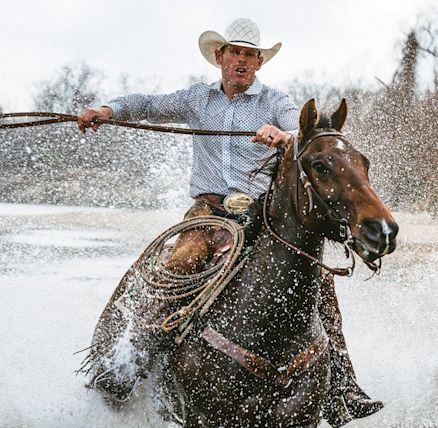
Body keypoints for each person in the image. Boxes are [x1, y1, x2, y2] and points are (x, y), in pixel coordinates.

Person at [78, 18, 383, 426]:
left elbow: (303, 129)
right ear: (219, 57)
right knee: (181, 261)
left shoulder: (275, 101)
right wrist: (107, 110)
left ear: (259, 62)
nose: (241, 60)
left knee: (318, 282)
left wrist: (285, 136)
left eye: (249, 55)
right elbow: (149, 105)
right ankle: (132, 359)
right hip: (208, 214)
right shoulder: (196, 99)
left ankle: (342, 385)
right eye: (234, 53)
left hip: (262, 215)